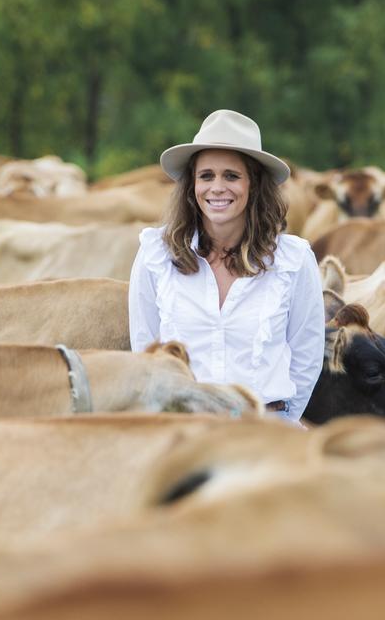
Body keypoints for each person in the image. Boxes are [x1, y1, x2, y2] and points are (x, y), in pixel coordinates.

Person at [128, 109, 325, 422]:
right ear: (192, 186)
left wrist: (275, 425)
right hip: (183, 429)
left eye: (231, 176)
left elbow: (306, 357)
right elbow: (146, 352)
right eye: (206, 176)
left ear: (254, 184)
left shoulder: (293, 260)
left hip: (264, 430)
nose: (217, 187)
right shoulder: (157, 255)